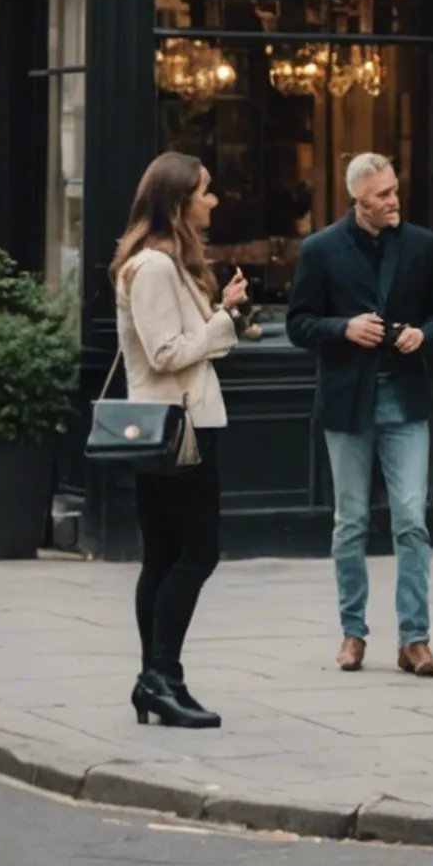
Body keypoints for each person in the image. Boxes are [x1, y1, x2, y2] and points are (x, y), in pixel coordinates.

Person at [288, 153, 433, 677]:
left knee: (411, 518)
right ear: (357, 200)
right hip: (347, 399)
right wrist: (342, 328)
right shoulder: (321, 249)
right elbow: (298, 324)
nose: (393, 201)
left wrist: (423, 335)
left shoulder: (423, 244)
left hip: (406, 397)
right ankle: (353, 633)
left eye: (394, 190)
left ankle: (415, 639)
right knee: (351, 522)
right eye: (381, 195)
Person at [112, 151, 250, 730]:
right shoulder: (154, 269)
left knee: (166, 554)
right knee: (196, 553)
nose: (213, 200)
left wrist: (221, 313)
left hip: (178, 420)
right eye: (205, 191)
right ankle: (160, 676)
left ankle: (159, 680)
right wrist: (223, 323)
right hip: (178, 426)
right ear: (177, 201)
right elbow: (166, 352)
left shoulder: (169, 264)